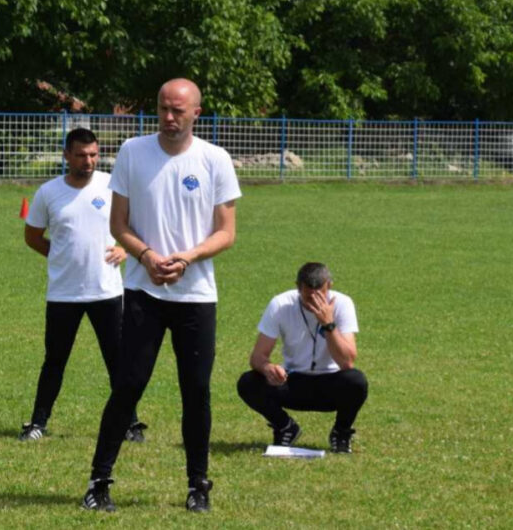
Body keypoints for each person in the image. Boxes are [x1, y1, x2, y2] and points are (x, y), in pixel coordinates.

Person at [81, 78, 241, 513]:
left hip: (196, 298)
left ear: (197, 114)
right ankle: (98, 482)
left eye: (178, 111)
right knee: (128, 385)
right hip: (142, 292)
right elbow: (119, 225)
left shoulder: (215, 160)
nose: (169, 118)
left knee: (196, 391)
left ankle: (198, 487)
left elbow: (226, 233)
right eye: (163, 109)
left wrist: (187, 258)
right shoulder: (133, 151)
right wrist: (148, 257)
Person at [21, 127, 145, 443]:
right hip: (63, 294)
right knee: (55, 360)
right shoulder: (48, 193)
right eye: (80, 155)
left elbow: (138, 226)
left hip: (106, 291)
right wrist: (60, 255)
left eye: (93, 154)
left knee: (118, 361)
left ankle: (130, 424)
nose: (88, 161)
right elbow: (32, 237)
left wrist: (125, 248)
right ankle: (38, 423)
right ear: (67, 155)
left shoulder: (112, 185)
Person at [236, 262, 368, 454]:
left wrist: (329, 324)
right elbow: (257, 356)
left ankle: (341, 432)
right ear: (298, 287)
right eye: (308, 296)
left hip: (331, 384)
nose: (314, 301)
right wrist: (267, 368)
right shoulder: (281, 304)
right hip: (292, 381)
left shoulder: (343, 304)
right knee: (248, 382)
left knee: (356, 381)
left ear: (329, 285)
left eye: (320, 294)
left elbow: (346, 362)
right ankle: (285, 427)